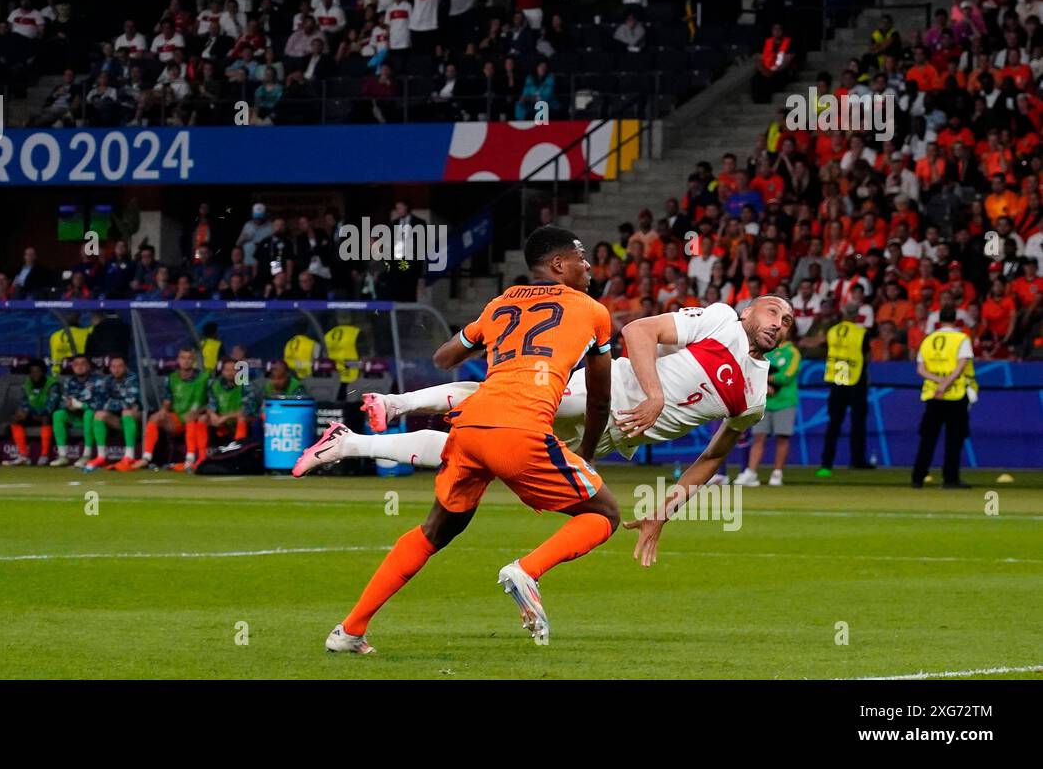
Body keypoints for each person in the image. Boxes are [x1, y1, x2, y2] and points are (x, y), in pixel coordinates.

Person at [319, 226, 618, 654]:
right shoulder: (593, 311)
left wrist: (493, 340)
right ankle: (526, 571)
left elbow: (444, 357)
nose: (588, 265)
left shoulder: (500, 303)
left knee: (437, 529)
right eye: (581, 257)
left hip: (471, 424)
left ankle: (350, 629)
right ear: (558, 265)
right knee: (604, 513)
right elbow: (600, 399)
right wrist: (586, 454)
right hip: (521, 428)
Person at [299, 297, 791, 536]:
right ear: (749, 311)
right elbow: (637, 331)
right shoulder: (722, 319)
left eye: (788, 321)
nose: (779, 322)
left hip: (607, 437)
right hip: (599, 393)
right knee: (503, 399)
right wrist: (656, 395)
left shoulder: (752, 397)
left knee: (486, 456)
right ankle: (397, 404)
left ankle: (349, 443)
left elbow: (710, 459)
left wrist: (664, 513)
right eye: (772, 311)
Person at [912, 306, 976, 489]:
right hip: (955, 395)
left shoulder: (928, 339)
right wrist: (946, 383)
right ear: (956, 319)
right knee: (954, 439)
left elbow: (920, 369)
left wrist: (938, 381)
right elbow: (961, 365)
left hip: (933, 395)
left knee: (928, 438)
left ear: (939, 320)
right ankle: (950, 479)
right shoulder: (961, 339)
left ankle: (917, 478)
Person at [735, 326, 802, 486]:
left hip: (785, 401)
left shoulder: (793, 352)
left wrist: (766, 380)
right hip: (764, 402)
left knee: (782, 438)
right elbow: (752, 369)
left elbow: (787, 375)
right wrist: (765, 385)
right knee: (758, 437)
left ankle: (777, 474)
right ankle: (751, 473)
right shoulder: (765, 350)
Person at [818, 302, 874, 476]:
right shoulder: (861, 333)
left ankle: (826, 463)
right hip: (855, 380)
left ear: (843, 313)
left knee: (833, 423)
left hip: (836, 380)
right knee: (857, 423)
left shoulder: (832, 331)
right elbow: (867, 356)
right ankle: (857, 461)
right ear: (857, 315)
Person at [142, 346, 209, 471]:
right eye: (183, 358)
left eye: (189, 358)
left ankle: (190, 459)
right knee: (155, 417)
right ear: (178, 359)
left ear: (194, 360)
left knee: (191, 417)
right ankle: (146, 458)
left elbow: (210, 401)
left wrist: (199, 411)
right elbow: (167, 400)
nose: (186, 361)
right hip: (177, 418)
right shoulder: (172, 377)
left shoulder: (204, 377)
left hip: (196, 417)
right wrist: (163, 411)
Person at [83, 355, 141, 472]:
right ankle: (101, 457)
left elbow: (129, 402)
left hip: (137, 420)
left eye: (120, 366)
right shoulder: (107, 380)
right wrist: (113, 403)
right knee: (99, 415)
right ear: (110, 369)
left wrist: (110, 403)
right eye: (113, 367)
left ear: (125, 367)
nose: (117, 369)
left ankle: (129, 456)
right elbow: (100, 403)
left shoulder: (132, 378)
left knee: (127, 412)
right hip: (117, 419)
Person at [9, 358, 59, 465]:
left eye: (37, 371)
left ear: (43, 372)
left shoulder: (52, 384)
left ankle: (44, 455)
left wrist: (39, 413)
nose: (35, 374)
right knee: (15, 418)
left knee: (46, 417)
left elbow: (51, 406)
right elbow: (24, 402)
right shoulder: (27, 384)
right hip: (33, 414)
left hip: (47, 415)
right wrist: (26, 412)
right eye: (32, 372)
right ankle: (24, 456)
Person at [55, 354, 99, 467]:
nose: (79, 367)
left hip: (91, 418)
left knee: (89, 413)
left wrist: (81, 406)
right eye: (76, 364)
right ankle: (63, 456)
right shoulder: (69, 381)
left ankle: (86, 455)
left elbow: (99, 404)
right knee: (58, 414)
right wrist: (67, 405)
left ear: (89, 366)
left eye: (83, 363)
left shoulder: (97, 381)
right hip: (74, 417)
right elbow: (62, 401)